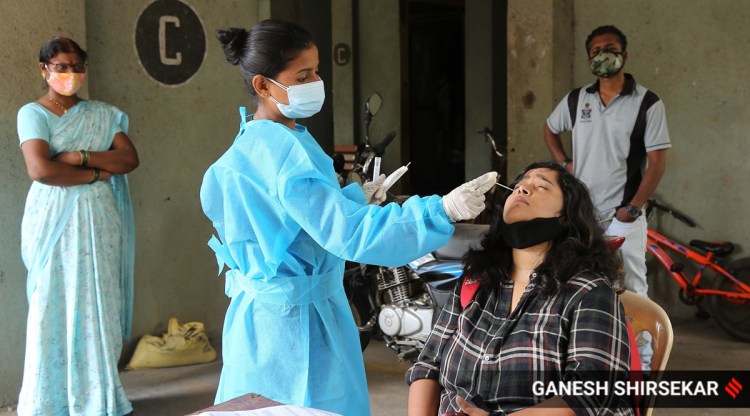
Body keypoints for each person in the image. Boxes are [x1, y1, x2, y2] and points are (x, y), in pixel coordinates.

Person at [200, 19, 497, 416]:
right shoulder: (285, 152)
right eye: (302, 75)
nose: (315, 81)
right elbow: (349, 234)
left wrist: (354, 197)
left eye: (317, 71)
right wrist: (439, 210)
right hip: (298, 325)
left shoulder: (257, 140)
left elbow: (290, 222)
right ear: (263, 85)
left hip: (259, 319)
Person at [406, 161, 632, 416]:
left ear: (566, 215)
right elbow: (428, 364)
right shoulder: (476, 280)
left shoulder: (589, 293)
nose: (522, 189)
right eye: (519, 185)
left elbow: (589, 396)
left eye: (541, 186)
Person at [16, 36, 139, 415]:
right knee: (52, 302)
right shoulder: (32, 114)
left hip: (100, 220)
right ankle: (48, 402)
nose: (71, 74)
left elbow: (129, 159)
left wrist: (80, 156)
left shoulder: (102, 114)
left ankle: (99, 399)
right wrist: (95, 173)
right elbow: (41, 169)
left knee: (98, 301)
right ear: (44, 70)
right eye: (62, 67)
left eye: (77, 67)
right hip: (53, 220)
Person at [543, 25, 671, 371]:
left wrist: (632, 209)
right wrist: (564, 162)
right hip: (581, 214)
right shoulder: (577, 99)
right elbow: (550, 127)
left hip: (623, 214)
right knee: (576, 285)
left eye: (610, 48)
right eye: (596, 50)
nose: (603, 54)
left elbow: (656, 163)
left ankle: (642, 371)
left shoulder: (647, 102)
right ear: (589, 58)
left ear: (624, 55)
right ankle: (590, 361)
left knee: (632, 289)